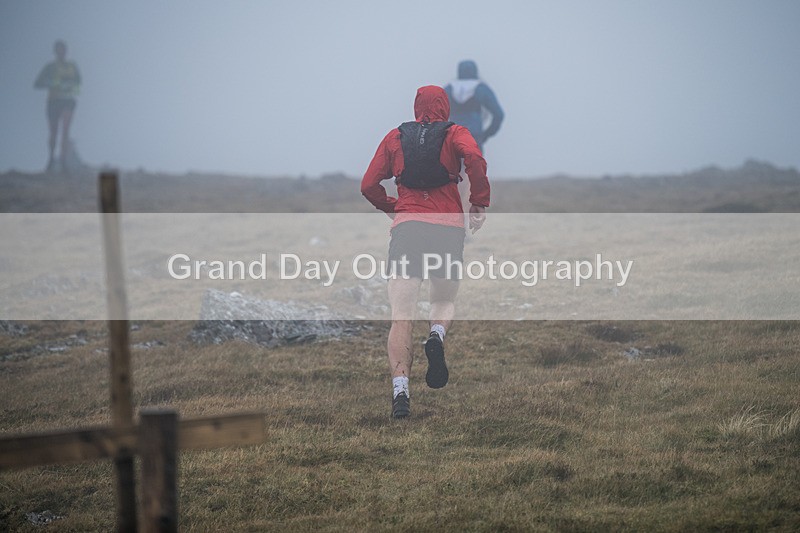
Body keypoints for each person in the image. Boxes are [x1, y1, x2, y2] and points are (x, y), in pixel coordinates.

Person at [361, 85, 490, 419]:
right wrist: (479, 201)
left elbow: (368, 185)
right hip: (447, 230)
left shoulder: (395, 137)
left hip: (409, 229)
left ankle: (400, 392)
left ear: (416, 107)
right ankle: (436, 335)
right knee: (443, 300)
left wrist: (394, 207)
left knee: (401, 315)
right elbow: (475, 158)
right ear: (445, 107)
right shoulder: (455, 133)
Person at [34, 40, 81, 172]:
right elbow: (37, 83)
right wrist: (53, 83)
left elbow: (78, 84)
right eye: (59, 50)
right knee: (54, 132)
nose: (62, 52)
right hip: (53, 101)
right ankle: (51, 158)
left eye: (63, 50)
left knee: (65, 130)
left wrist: (70, 87)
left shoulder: (72, 67)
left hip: (68, 101)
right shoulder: (50, 67)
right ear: (55, 51)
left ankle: (63, 160)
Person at [444, 60, 504, 153]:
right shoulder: (481, 88)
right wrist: (487, 134)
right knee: (475, 166)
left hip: (453, 137)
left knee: (451, 166)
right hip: (474, 137)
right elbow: (499, 114)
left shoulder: (448, 89)